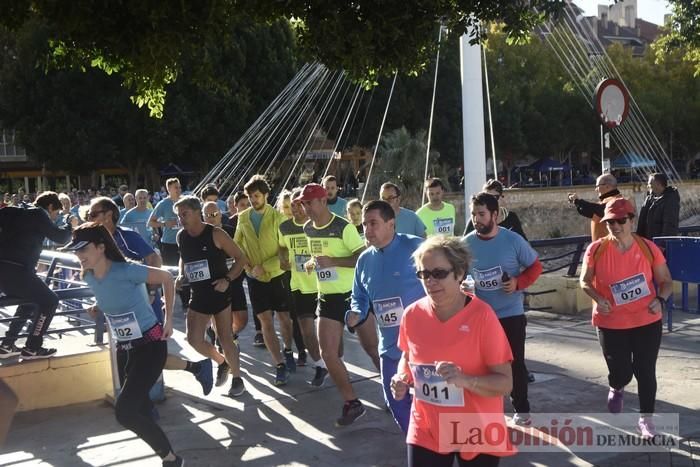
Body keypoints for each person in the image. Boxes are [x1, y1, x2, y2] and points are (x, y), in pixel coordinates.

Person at [63, 223, 183, 466]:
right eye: (75, 251)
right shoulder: (88, 275)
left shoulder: (127, 270)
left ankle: (171, 459)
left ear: (101, 247)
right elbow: (111, 295)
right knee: (135, 407)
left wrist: (168, 318)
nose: (79, 256)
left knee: (125, 412)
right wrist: (98, 308)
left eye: (83, 249)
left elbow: (167, 278)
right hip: (124, 349)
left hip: (150, 344)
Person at [391, 236, 514, 466]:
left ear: (459, 273)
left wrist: (465, 380)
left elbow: (505, 383)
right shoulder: (412, 314)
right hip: (426, 427)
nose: (430, 281)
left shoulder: (482, 317)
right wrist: (401, 377)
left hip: (477, 428)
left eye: (438, 273)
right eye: (424, 274)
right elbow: (407, 356)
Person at [87, 197, 213, 397]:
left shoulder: (126, 236)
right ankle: (194, 369)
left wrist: (152, 291)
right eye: (88, 215)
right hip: (124, 311)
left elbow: (155, 258)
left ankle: (143, 401)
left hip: (145, 306)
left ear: (109, 216)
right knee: (138, 354)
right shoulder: (99, 243)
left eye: (93, 214)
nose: (88, 218)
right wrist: (100, 302)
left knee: (148, 352)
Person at [579, 198, 672, 439]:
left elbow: (666, 281)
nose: (615, 225)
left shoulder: (648, 248)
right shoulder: (596, 249)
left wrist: (659, 299)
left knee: (645, 370)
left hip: (647, 320)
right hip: (610, 322)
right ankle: (617, 384)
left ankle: (646, 420)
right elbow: (585, 281)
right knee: (621, 371)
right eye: (610, 221)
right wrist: (598, 298)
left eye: (621, 220)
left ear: (632, 220)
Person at [463, 192, 542, 426]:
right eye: (473, 214)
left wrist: (518, 283)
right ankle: (487, 410)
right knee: (480, 364)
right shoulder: (465, 244)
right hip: (480, 316)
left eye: (481, 214)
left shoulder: (513, 240)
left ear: (495, 215)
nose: (476, 219)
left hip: (511, 313)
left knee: (514, 362)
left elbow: (535, 267)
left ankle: (522, 409)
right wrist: (464, 286)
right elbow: (457, 272)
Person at [346, 200, 425, 433]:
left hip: (423, 346)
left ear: (391, 224)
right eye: (364, 225)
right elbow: (358, 296)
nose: (367, 230)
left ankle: (432, 448)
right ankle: (418, 445)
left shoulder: (417, 248)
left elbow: (448, 275)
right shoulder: (364, 260)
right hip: (390, 346)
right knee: (396, 403)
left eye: (373, 223)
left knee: (429, 403)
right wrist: (356, 312)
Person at [298, 183, 367, 426]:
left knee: (373, 349)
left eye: (309, 202)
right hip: (326, 296)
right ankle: (352, 402)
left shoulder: (343, 226)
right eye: (303, 203)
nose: (305, 207)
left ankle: (397, 394)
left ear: (322, 201)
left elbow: (362, 256)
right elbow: (319, 256)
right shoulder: (307, 228)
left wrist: (333, 261)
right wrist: (311, 263)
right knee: (328, 353)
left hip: (352, 296)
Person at [175, 196, 247, 397]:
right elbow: (184, 256)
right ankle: (222, 362)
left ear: (197, 212)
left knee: (225, 337)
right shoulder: (181, 236)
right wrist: (182, 274)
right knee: (193, 339)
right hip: (198, 293)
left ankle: (237, 379)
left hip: (218, 292)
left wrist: (228, 279)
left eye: (185, 214)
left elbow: (241, 258)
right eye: (179, 215)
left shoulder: (216, 233)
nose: (181, 219)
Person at [234, 175, 294, 386]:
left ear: (266, 195)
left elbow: (285, 251)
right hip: (254, 278)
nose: (253, 200)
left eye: (257, 196)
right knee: (265, 321)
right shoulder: (242, 218)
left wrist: (265, 267)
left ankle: (288, 350)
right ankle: (279, 365)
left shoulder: (279, 218)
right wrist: (249, 268)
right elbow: (237, 245)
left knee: (285, 319)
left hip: (277, 276)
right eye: (250, 196)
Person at [0, 192, 73, 359]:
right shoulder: (39, 214)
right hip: (18, 270)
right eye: (55, 213)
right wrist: (70, 226)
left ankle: (7, 345)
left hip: (5, 270)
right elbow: (60, 237)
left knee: (30, 301)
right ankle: (32, 348)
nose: (54, 218)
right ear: (50, 207)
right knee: (50, 300)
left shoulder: (12, 211)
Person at [278, 188, 327, 385]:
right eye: (291, 206)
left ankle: (334, 360)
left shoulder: (317, 226)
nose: (296, 209)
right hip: (299, 286)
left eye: (299, 205)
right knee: (307, 331)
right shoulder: (285, 228)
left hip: (323, 284)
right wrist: (283, 258)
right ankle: (320, 365)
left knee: (329, 332)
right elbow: (281, 246)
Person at [202, 201, 249, 348]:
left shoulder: (232, 231)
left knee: (242, 319)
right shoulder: (201, 235)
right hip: (214, 284)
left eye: (215, 214)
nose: (212, 218)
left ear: (221, 215)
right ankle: (223, 341)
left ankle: (228, 335)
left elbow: (243, 254)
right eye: (208, 215)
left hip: (233, 279)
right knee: (221, 319)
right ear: (203, 217)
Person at [567, 174, 632, 241]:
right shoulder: (607, 201)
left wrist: (578, 201)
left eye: (597, 186)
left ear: (607, 186)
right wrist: (576, 202)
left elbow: (600, 210)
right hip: (601, 247)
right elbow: (589, 211)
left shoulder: (617, 201)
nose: (596, 189)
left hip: (610, 248)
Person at [637, 173, 680, 241]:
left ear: (658, 184)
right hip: (647, 243)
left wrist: (662, 245)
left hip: (659, 245)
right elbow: (642, 221)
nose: (648, 186)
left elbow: (669, 225)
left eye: (650, 183)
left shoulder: (670, 200)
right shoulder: (650, 199)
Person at [149, 178, 182, 266]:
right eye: (176, 188)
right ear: (169, 189)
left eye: (179, 187)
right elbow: (150, 222)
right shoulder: (163, 204)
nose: (179, 190)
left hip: (185, 241)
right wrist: (164, 224)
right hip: (169, 243)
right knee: (171, 270)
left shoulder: (185, 201)